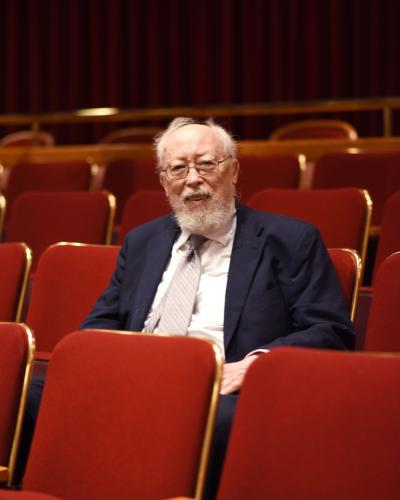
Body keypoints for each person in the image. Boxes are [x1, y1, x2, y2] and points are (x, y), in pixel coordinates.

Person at [17, 117, 355, 497]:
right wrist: (101, 367)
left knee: (209, 419)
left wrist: (255, 363)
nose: (193, 179)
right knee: (22, 396)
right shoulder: (143, 241)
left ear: (233, 169)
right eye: (178, 168)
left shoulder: (290, 239)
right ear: (164, 181)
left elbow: (330, 330)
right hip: (136, 377)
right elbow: (102, 321)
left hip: (218, 386)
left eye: (206, 163)